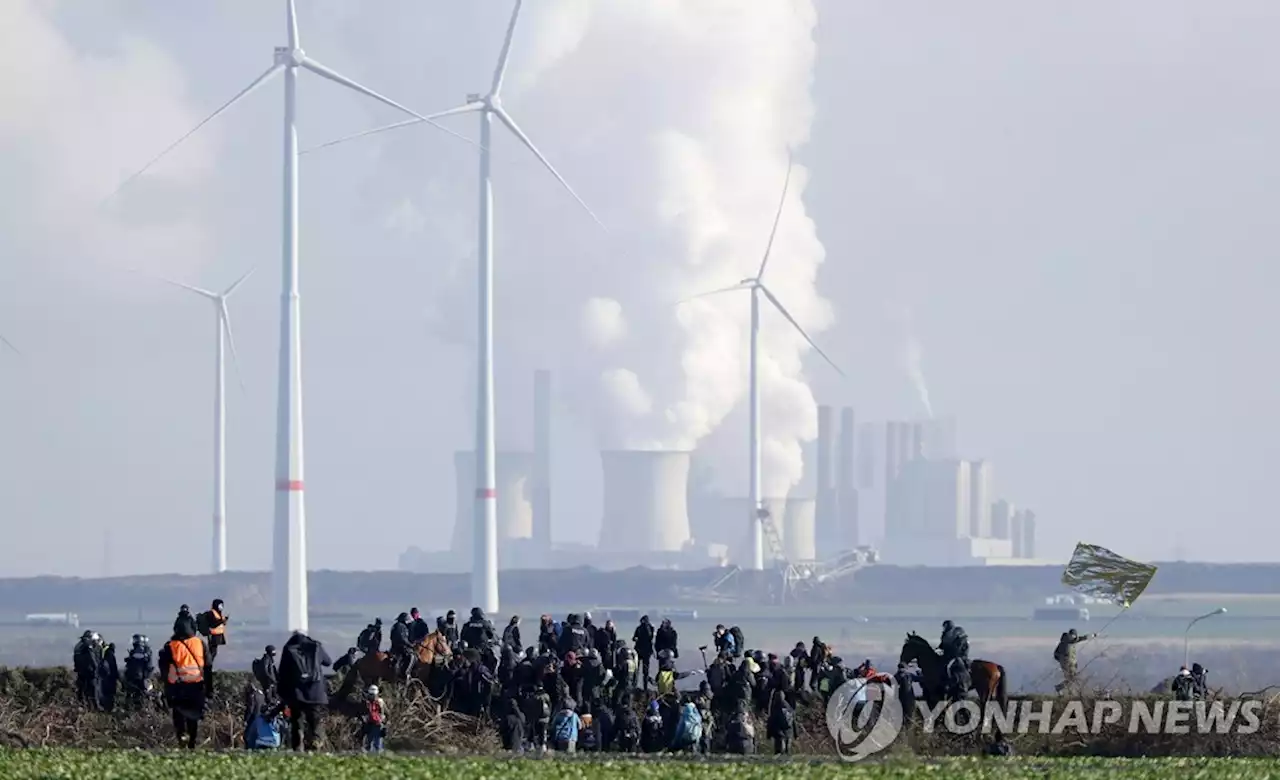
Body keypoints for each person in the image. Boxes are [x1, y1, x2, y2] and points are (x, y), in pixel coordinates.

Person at [158, 620, 210, 749]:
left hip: (178, 687)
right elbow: (208, 666)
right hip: (197, 686)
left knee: (179, 714)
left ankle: (182, 737)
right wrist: (209, 690)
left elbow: (164, 669)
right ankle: (192, 742)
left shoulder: (170, 646)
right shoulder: (200, 643)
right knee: (193, 716)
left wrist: (167, 689)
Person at [277, 630, 333, 752]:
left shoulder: (288, 649)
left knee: (297, 720)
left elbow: (282, 673)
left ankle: (298, 746)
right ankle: (316, 742)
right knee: (315, 719)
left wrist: (282, 693)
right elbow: (328, 662)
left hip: (296, 693)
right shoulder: (316, 646)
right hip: (315, 691)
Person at [1052, 628, 1095, 693]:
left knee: (1070, 679)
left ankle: (1064, 690)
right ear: (1072, 635)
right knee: (1072, 678)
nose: (1075, 637)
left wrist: (1061, 661)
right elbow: (1081, 638)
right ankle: (1061, 688)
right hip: (1069, 663)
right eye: (1074, 636)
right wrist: (1093, 635)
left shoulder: (1063, 642)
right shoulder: (1070, 640)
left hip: (1066, 663)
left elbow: (1056, 654)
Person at [73, 630, 103, 709]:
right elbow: (93, 660)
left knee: (82, 691)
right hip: (90, 672)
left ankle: (82, 705)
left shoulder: (78, 646)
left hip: (81, 672)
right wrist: (97, 669)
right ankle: (96, 707)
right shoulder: (88, 648)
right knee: (93, 690)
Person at [939, 620, 970, 695]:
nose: (944, 628)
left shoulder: (958, 634)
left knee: (948, 666)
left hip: (958, 655)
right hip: (949, 654)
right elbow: (943, 645)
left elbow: (958, 647)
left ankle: (951, 682)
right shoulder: (945, 634)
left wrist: (954, 654)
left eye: (945, 626)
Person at [123, 635, 154, 710]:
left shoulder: (140, 651)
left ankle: (140, 709)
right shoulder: (142, 651)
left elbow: (146, 665)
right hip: (138, 677)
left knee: (138, 695)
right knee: (137, 695)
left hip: (139, 678)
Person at [766, 688, 794, 755]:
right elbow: (793, 720)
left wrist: (768, 734)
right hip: (789, 732)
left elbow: (771, 722)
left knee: (778, 752)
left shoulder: (775, 708)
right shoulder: (789, 708)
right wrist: (796, 734)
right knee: (787, 751)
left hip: (779, 733)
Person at [633, 616, 656, 691]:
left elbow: (635, 637)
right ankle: (644, 686)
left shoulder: (641, 628)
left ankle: (637, 685)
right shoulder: (650, 628)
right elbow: (651, 637)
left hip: (641, 650)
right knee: (643, 670)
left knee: (638, 669)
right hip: (645, 650)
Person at [362, 684, 387, 753]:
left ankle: (377, 757)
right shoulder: (366, 702)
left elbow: (386, 713)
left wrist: (384, 721)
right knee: (368, 744)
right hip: (369, 724)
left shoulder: (380, 702)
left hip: (377, 724)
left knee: (377, 744)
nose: (373, 696)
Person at [390, 612, 414, 681]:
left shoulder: (395, 625)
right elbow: (403, 638)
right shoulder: (401, 626)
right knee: (412, 656)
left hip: (394, 647)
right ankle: (406, 673)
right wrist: (410, 644)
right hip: (400, 647)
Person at [98, 642, 120, 713]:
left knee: (104, 693)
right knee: (110, 694)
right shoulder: (110, 653)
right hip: (110, 678)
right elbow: (114, 667)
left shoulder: (102, 653)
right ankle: (109, 708)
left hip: (104, 678)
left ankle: (105, 707)